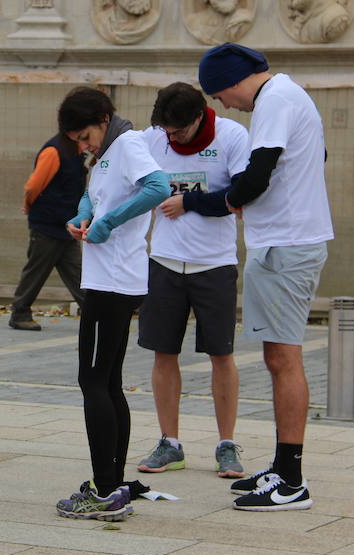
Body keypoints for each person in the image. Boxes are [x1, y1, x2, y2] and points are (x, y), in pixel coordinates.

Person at [199, 43, 333, 511]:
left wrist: (223, 202)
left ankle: (292, 481)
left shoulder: (274, 99)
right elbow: (317, 156)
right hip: (287, 239)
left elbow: (257, 174)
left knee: (283, 358)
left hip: (286, 244)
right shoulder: (290, 94)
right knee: (280, 356)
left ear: (234, 81)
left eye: (218, 95)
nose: (222, 105)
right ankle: (282, 465)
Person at [53, 87, 169, 522]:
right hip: (105, 279)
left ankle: (104, 491)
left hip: (115, 281)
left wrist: (108, 223)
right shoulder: (106, 151)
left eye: (85, 136)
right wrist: (82, 216)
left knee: (94, 382)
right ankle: (113, 481)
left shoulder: (128, 144)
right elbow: (94, 194)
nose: (83, 147)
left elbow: (157, 187)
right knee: (107, 381)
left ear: (103, 118)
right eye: (77, 142)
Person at [135, 82, 248, 479]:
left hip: (214, 264)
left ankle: (226, 445)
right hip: (164, 262)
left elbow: (240, 196)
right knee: (163, 353)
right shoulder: (152, 138)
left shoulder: (232, 136)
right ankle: (170, 443)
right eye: (166, 131)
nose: (171, 137)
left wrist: (189, 201)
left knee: (221, 355)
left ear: (199, 116)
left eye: (178, 131)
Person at [7, 129, 87, 332]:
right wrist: (28, 204)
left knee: (78, 271)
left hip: (68, 224)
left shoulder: (76, 150)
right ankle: (20, 312)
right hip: (47, 224)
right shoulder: (54, 150)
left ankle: (94, 310)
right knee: (37, 270)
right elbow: (33, 186)